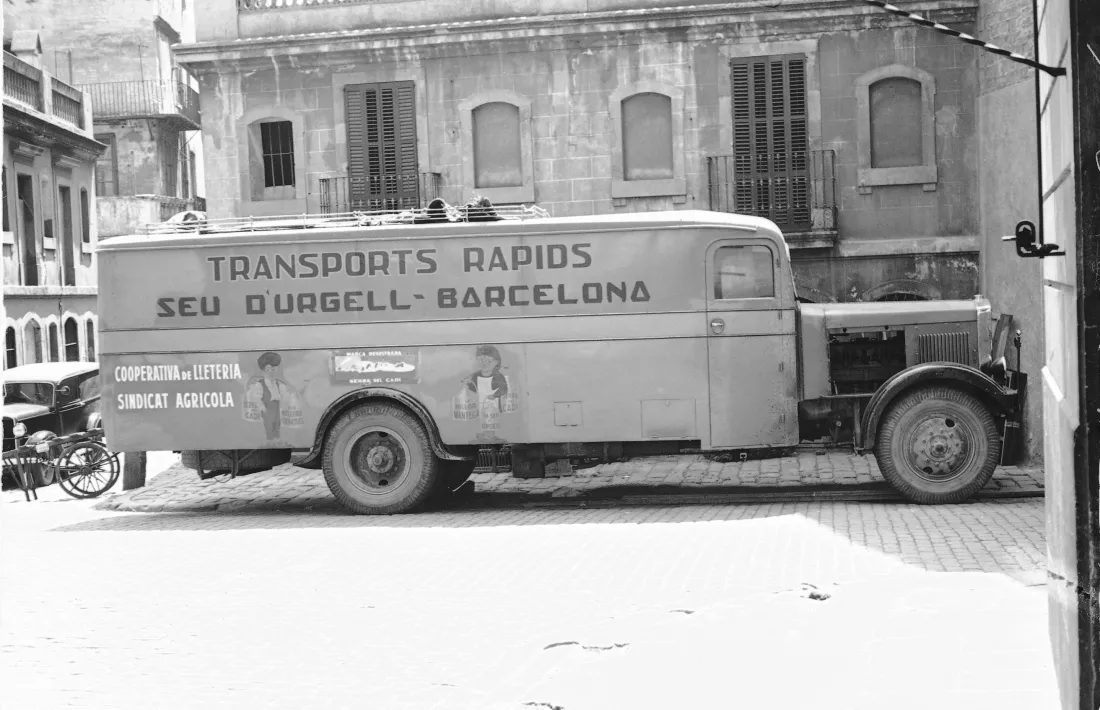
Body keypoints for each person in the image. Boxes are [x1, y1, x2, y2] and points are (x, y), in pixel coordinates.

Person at [246, 352, 296, 442]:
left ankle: (276, 440)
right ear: (267, 369)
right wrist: (263, 409)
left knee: (277, 425)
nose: (275, 371)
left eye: (276, 368)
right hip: (267, 408)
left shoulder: (279, 384)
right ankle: (270, 441)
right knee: (269, 427)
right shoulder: (259, 385)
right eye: (272, 369)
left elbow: (285, 396)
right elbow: (256, 399)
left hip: (277, 407)